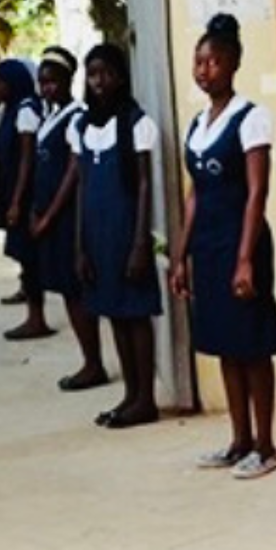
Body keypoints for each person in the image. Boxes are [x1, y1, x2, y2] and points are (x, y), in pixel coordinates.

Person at [170, 15, 276, 478]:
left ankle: (266, 445)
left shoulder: (251, 118)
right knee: (225, 344)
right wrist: (181, 255)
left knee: (252, 346)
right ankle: (238, 441)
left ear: (233, 64)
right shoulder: (197, 125)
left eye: (214, 61)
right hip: (208, 248)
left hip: (243, 246)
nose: (204, 70)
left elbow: (257, 193)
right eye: (198, 62)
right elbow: (195, 194)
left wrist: (244, 260)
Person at [73, 44, 162, 428]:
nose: (100, 81)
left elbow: (143, 185)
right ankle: (130, 394)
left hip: (127, 232)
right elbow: (81, 186)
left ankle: (146, 399)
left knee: (135, 314)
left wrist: (141, 242)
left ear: (121, 77)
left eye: (107, 73)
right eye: (93, 74)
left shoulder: (136, 123)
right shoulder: (82, 128)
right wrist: (80, 246)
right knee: (113, 312)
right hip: (97, 235)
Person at [29, 47, 107, 391]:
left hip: (66, 217)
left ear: (68, 81)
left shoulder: (76, 118)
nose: (47, 88)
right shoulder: (51, 116)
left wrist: (49, 216)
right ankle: (88, 359)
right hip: (48, 215)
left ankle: (93, 363)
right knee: (65, 290)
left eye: (53, 81)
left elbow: (73, 172)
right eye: (42, 82)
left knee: (76, 292)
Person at [0, 59, 51, 337]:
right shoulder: (10, 108)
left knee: (30, 258)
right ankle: (30, 304)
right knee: (24, 255)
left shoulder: (26, 110)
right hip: (13, 190)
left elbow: (27, 159)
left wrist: (17, 201)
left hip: (25, 195)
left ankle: (36, 318)